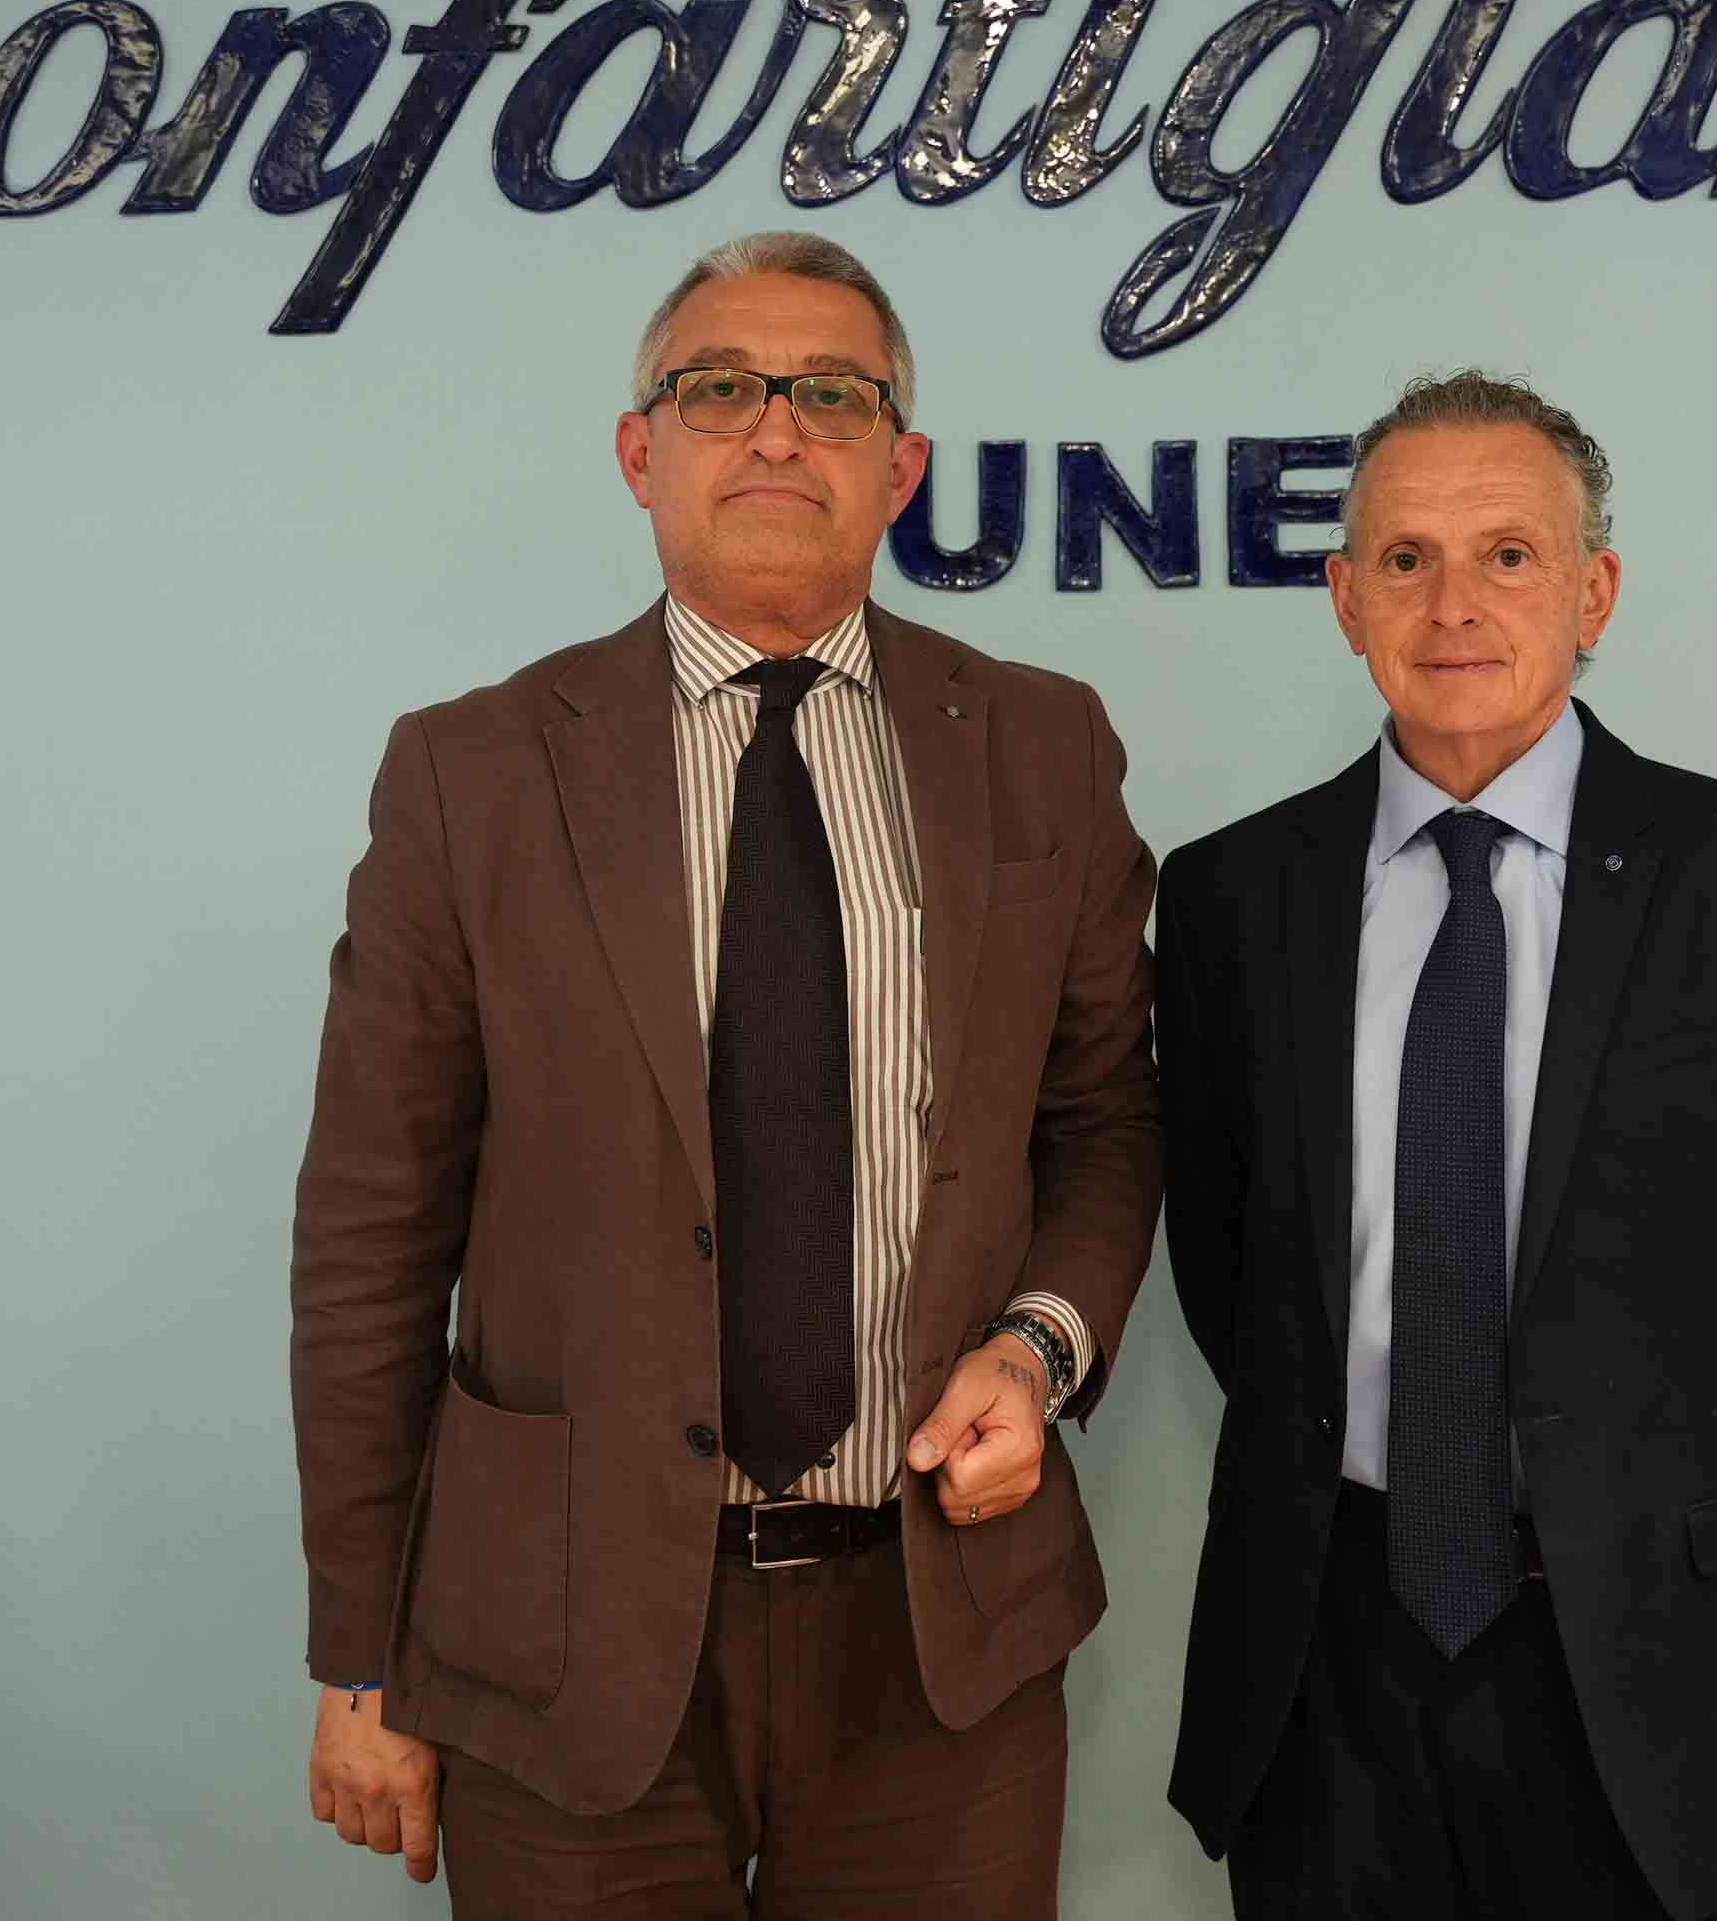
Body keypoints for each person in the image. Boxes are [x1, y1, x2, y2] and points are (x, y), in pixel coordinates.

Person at [288, 232, 1162, 1918]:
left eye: (832, 395)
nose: (775, 429)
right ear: (641, 453)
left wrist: (1041, 1347)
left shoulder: (1043, 745)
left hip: (940, 1636)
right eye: (719, 389)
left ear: (901, 467)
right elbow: (372, 1237)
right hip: (565, 1636)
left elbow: (1106, 1119)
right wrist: (360, 1651)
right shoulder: (474, 773)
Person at [1155, 371, 1717, 1920]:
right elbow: (1234, 1270)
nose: (1452, 602)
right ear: (1345, 598)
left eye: (1508, 555)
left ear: (1593, 592)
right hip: (1326, 1658)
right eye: (1406, 558)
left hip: (1653, 1666)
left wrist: (1677, 1534)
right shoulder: (1232, 897)